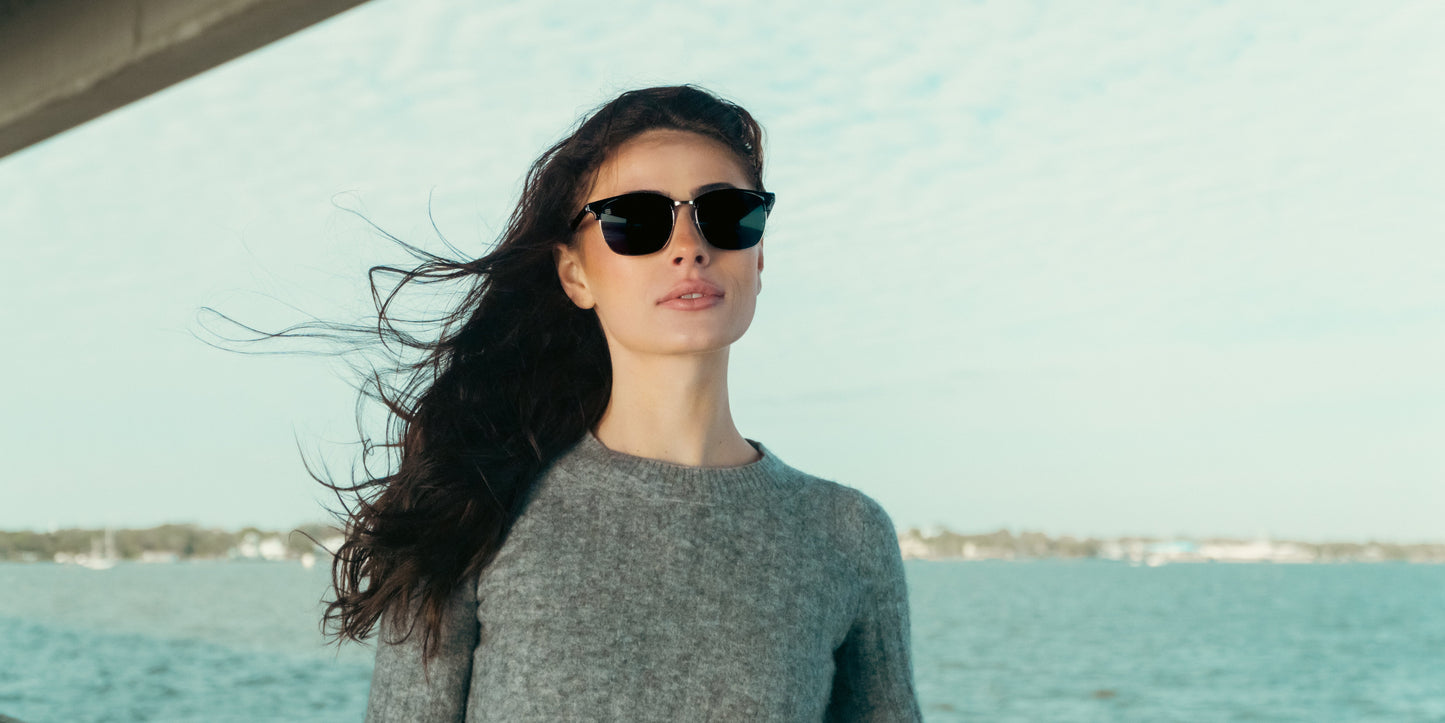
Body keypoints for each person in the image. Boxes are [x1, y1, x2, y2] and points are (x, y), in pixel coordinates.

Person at [302, 85, 921, 721]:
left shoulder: (846, 534)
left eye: (726, 214)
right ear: (575, 274)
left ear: (758, 256)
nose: (689, 246)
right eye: (636, 221)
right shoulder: (475, 507)